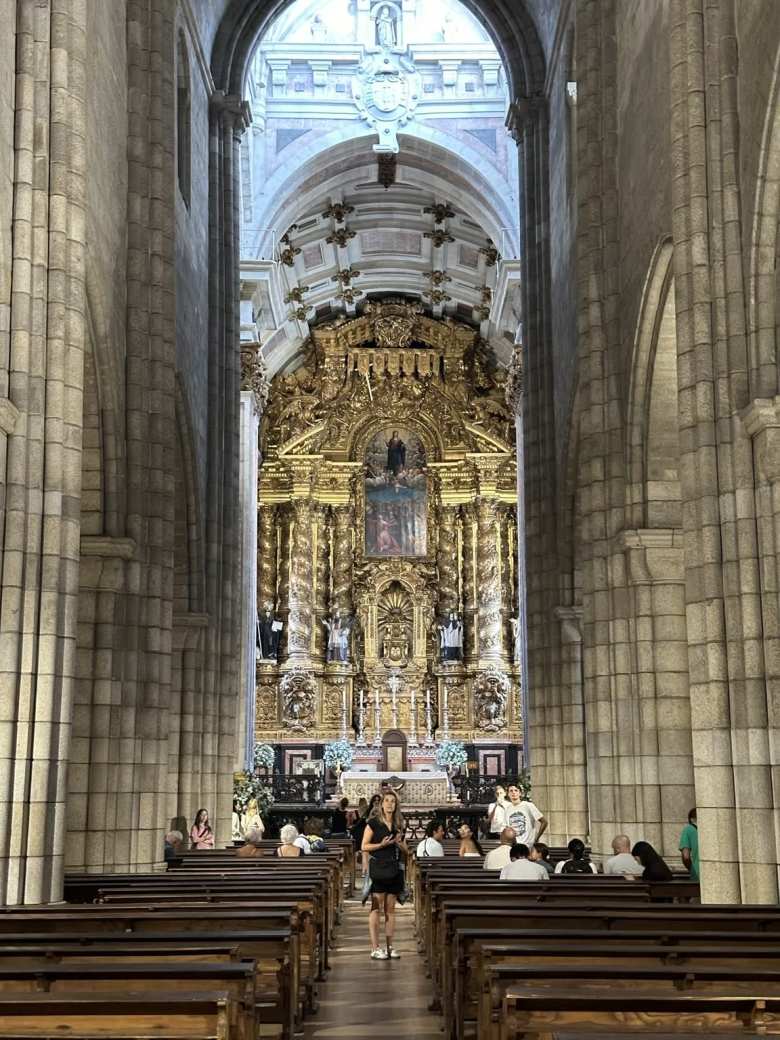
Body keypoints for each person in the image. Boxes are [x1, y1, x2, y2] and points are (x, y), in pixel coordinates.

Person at [362, 791, 408, 960]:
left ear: (396, 805)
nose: (390, 804)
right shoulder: (373, 823)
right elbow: (364, 846)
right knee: (376, 908)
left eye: (393, 802)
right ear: (381, 804)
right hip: (379, 869)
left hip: (394, 869)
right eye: (387, 801)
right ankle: (375, 947)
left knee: (391, 909)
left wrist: (399, 843)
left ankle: (390, 947)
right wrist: (381, 845)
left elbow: (406, 850)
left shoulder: (398, 825)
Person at [679, 808, 699, 881]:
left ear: (691, 819)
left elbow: (686, 856)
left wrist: (691, 869)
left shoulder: (688, 829)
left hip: (697, 874)